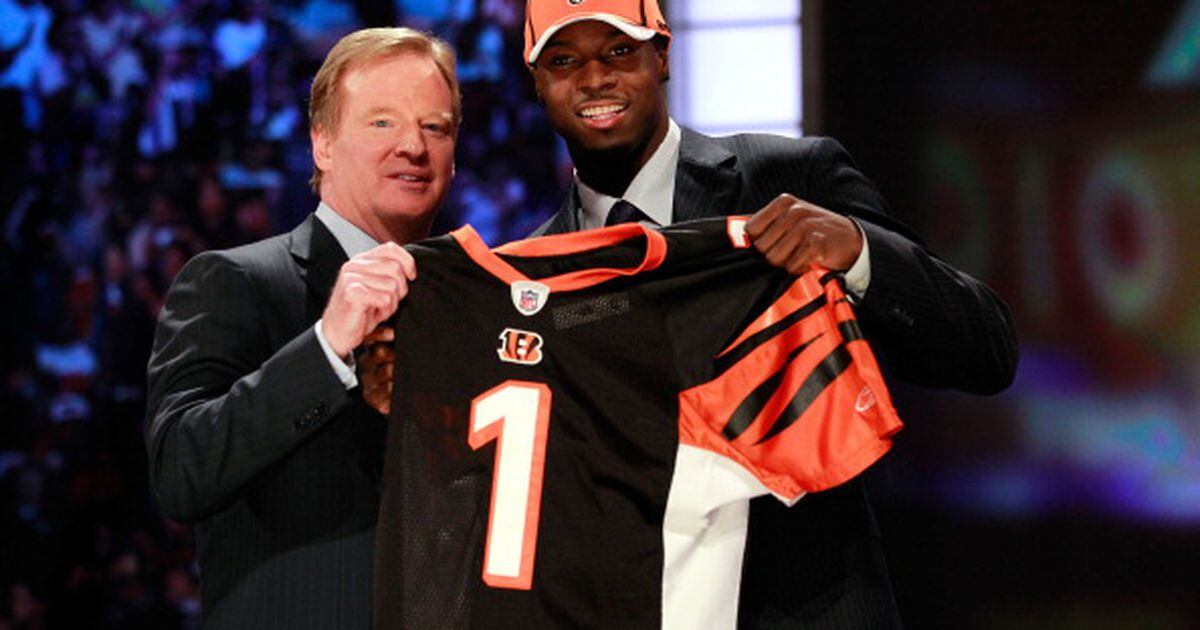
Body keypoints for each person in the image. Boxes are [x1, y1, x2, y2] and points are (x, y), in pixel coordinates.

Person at [520, 1, 1017, 627]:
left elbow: (986, 348)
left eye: (619, 51)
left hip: (808, 607)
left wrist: (859, 252)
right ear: (537, 82)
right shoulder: (535, 273)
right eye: (565, 61)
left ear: (663, 55)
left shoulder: (789, 178)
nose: (594, 79)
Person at [144, 27, 459, 628]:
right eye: (382, 123)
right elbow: (181, 472)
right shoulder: (234, 283)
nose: (414, 147)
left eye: (435, 127)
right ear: (323, 144)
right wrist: (326, 347)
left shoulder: (469, 302)